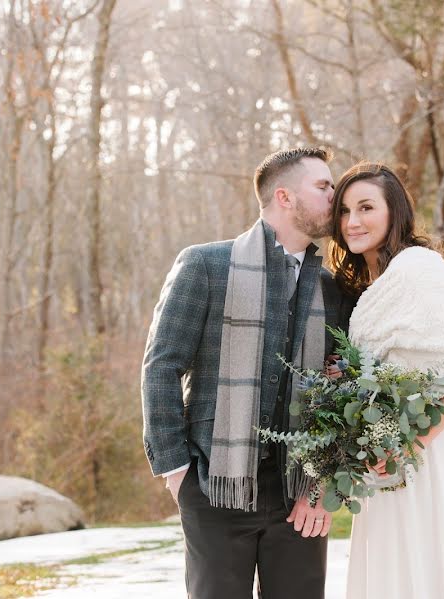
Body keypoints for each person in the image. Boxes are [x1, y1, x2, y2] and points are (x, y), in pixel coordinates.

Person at [140, 147, 355, 599]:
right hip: (214, 484)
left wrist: (321, 486)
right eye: (323, 186)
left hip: (299, 495)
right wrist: (178, 472)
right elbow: (161, 366)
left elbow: (339, 389)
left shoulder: (331, 288)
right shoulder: (204, 265)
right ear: (284, 196)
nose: (336, 197)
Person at [328, 162, 444, 599]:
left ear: (394, 211)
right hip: (380, 459)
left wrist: (409, 445)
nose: (353, 221)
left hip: (425, 454)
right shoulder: (364, 285)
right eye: (344, 211)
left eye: (366, 207)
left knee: (426, 573)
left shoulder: (419, 268)